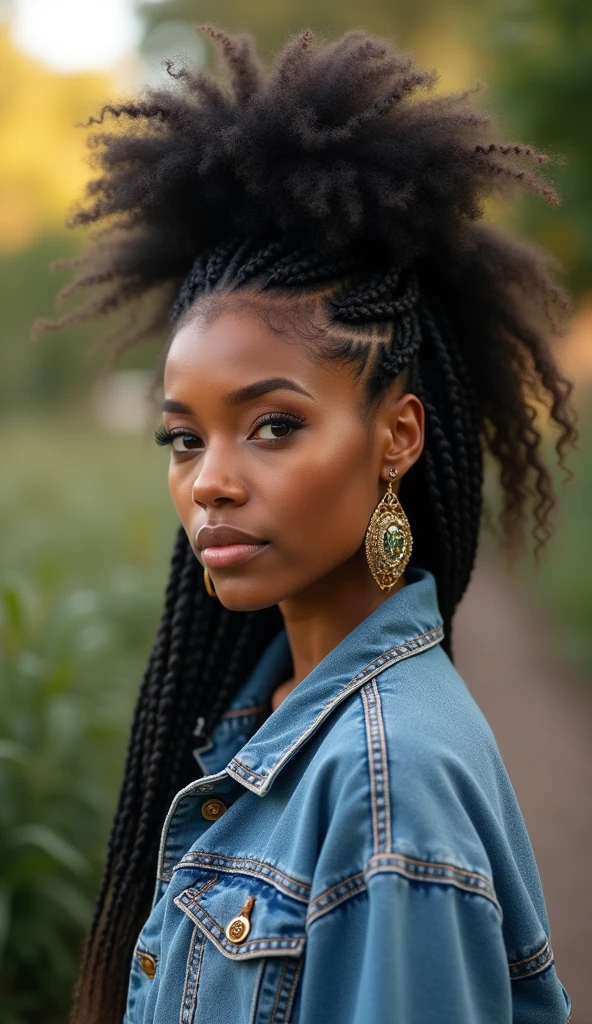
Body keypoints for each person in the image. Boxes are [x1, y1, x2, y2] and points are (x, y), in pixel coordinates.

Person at [43, 26, 577, 1024]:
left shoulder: (390, 792)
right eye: (183, 438)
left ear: (396, 436)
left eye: (273, 426)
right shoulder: (272, 715)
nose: (210, 483)